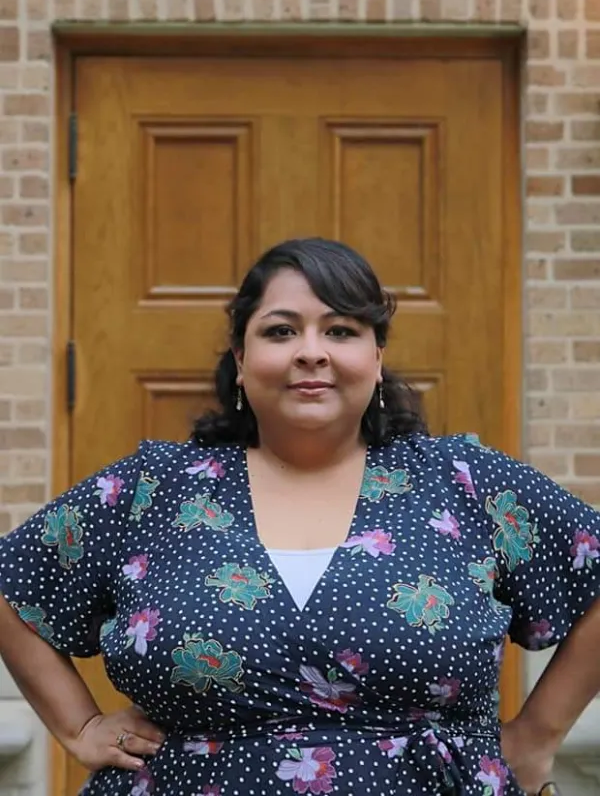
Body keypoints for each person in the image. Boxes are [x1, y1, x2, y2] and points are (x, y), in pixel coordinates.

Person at [0, 237, 598, 796]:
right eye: (281, 331)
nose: (311, 351)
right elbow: (12, 580)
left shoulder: (464, 481)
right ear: (241, 357)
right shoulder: (153, 489)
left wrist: (540, 732)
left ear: (376, 355)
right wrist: (77, 726)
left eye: (340, 330)